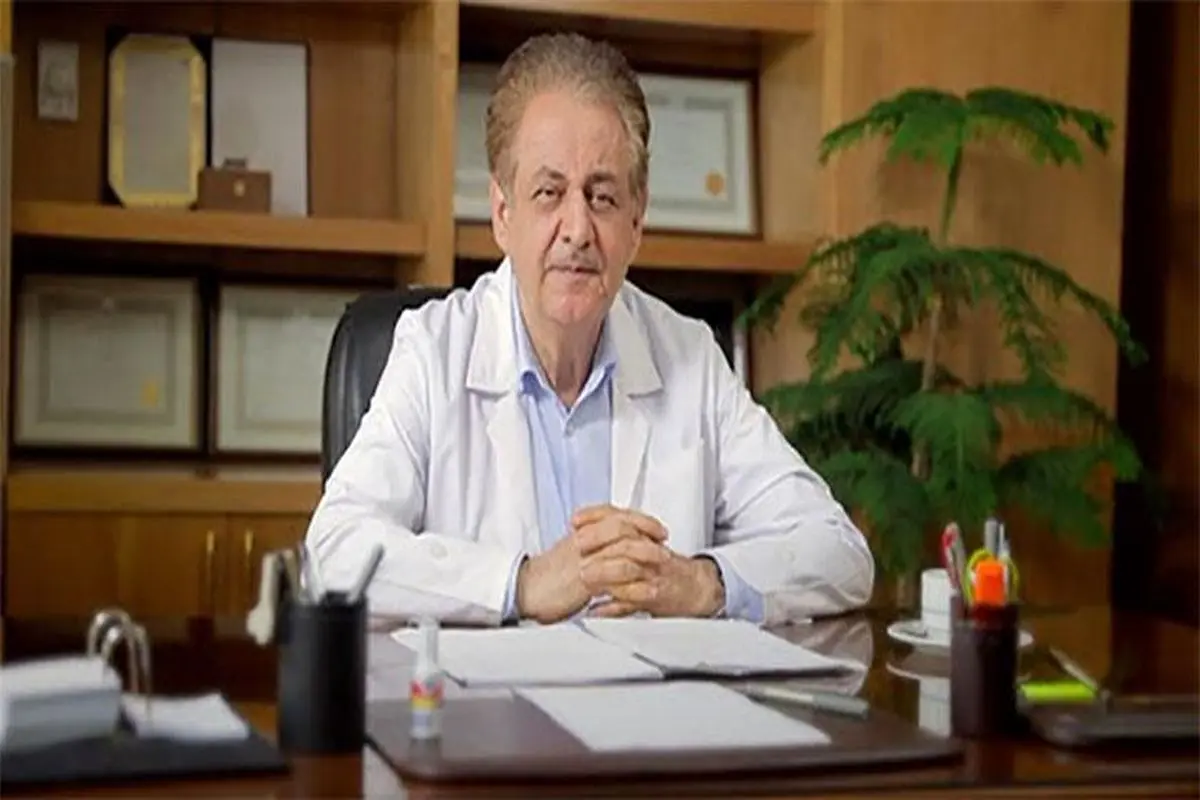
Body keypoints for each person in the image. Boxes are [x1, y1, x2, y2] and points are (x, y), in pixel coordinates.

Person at [304, 32, 874, 626]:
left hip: (655, 688)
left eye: (601, 197)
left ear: (637, 218)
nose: (577, 229)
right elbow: (333, 555)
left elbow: (837, 551)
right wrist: (520, 584)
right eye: (549, 193)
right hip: (496, 689)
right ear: (502, 213)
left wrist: (703, 583)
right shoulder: (433, 350)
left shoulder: (689, 356)